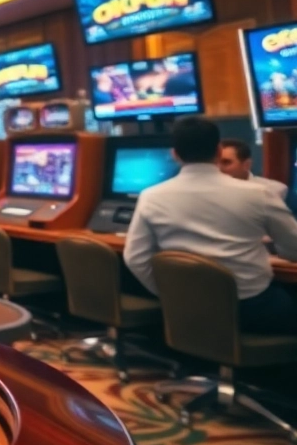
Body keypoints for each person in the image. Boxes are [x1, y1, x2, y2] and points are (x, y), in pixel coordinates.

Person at [125, 117, 297, 335]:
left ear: (174, 154)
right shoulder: (259, 194)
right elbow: (294, 248)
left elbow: (135, 258)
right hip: (251, 308)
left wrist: (169, 294)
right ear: (218, 151)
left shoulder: (151, 196)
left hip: (185, 306)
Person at [219, 138, 289, 202]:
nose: (219, 167)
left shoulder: (274, 190)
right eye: (215, 163)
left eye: (226, 162)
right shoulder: (211, 191)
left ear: (246, 165)